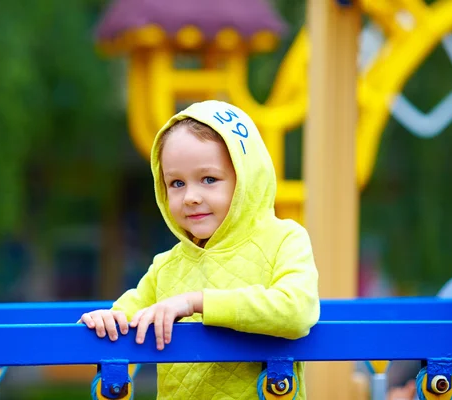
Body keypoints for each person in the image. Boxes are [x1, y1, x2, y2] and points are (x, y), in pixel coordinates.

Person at [80, 100, 320, 399]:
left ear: (246, 178)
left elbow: (296, 311)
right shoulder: (166, 266)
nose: (191, 197)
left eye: (209, 179)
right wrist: (107, 320)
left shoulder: (285, 239)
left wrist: (196, 302)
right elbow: (124, 319)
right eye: (176, 183)